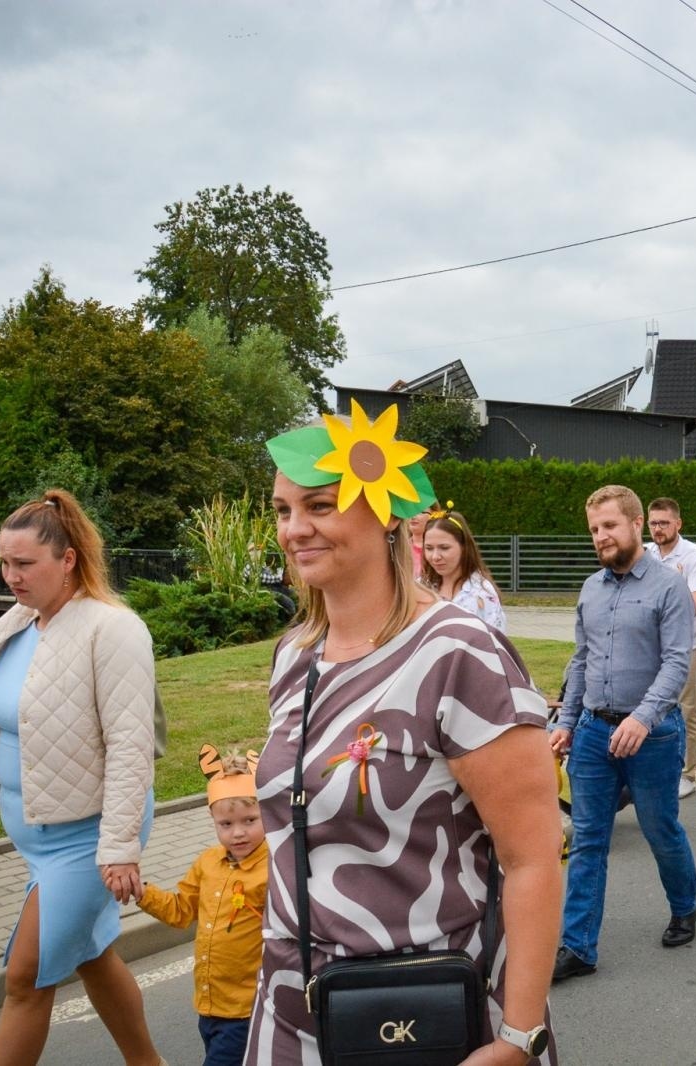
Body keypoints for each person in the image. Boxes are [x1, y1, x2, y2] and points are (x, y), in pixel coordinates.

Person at [254, 403, 561, 1063]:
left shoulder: (459, 653)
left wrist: (519, 1034)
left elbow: (531, 858)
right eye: (283, 510)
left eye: (319, 505)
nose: (295, 529)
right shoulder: (295, 655)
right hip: (297, 1006)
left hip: (424, 1011)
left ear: (387, 511)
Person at [0, 490, 163, 1066]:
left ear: (69, 559)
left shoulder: (113, 629)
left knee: (25, 979)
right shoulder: (14, 625)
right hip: (34, 832)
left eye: (24, 564)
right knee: (90, 953)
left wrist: (121, 846)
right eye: (4, 563)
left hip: (88, 837)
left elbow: (132, 746)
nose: (10, 576)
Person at [554, 485, 696, 980]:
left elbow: (678, 661)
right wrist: (566, 723)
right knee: (589, 838)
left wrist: (643, 717)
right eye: (594, 528)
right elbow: (581, 661)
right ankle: (578, 947)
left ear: (637, 525)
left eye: (610, 525)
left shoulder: (668, 586)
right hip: (595, 734)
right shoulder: (590, 589)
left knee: (661, 831)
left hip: (654, 736)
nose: (601, 536)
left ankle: (686, 906)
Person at [138, 746, 267, 1066]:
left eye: (250, 820)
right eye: (226, 824)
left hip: (247, 1008)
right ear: (213, 820)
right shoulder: (207, 863)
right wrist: (141, 893)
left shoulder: (274, 868)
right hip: (209, 1006)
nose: (238, 832)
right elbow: (181, 912)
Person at [646, 496, 696, 800]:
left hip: (686, 645)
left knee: (686, 709)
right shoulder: (644, 554)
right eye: (653, 523)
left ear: (678, 523)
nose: (657, 529)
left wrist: (658, 616)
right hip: (649, 644)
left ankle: (686, 773)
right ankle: (654, 769)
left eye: (664, 523)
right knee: (651, 706)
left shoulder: (695, 555)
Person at [422, 504, 508, 632]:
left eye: (444, 548)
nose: (435, 557)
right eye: (429, 548)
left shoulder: (482, 594)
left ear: (464, 546)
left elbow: (494, 645)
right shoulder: (420, 588)